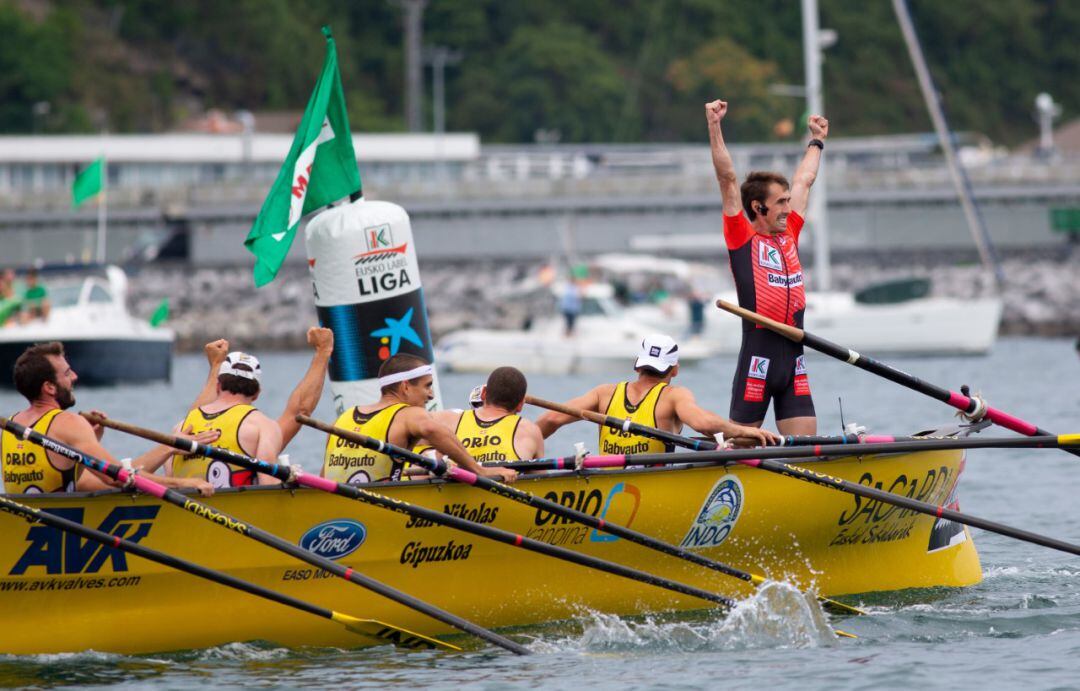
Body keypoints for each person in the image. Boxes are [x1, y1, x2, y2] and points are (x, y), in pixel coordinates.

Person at [706, 98, 829, 436]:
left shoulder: (790, 232)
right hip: (758, 358)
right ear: (758, 207)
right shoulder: (741, 237)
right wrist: (714, 126)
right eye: (781, 203)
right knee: (743, 446)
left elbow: (804, 180)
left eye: (788, 201)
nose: (789, 208)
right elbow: (727, 179)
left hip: (794, 360)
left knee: (805, 448)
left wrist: (817, 141)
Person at [1, 342, 213, 495]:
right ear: (49, 387)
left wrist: (168, 447)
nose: (74, 376)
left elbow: (88, 481)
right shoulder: (70, 423)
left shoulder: (10, 427)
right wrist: (183, 483)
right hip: (61, 536)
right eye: (67, 373)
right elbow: (119, 478)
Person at [536, 334, 780, 453]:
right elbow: (704, 424)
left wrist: (523, 454)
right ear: (674, 370)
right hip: (650, 484)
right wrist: (746, 431)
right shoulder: (673, 396)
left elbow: (550, 419)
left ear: (637, 365)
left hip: (604, 481)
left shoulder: (604, 394)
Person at [321, 354, 517, 485]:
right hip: (377, 515)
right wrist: (479, 470)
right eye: (427, 386)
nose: (431, 395)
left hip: (338, 511)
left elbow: (324, 476)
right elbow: (433, 430)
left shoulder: (343, 418)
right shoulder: (408, 414)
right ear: (405, 387)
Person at [423, 366, 544, 462]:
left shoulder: (445, 419)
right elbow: (541, 482)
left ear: (484, 393)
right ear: (520, 405)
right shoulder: (530, 430)